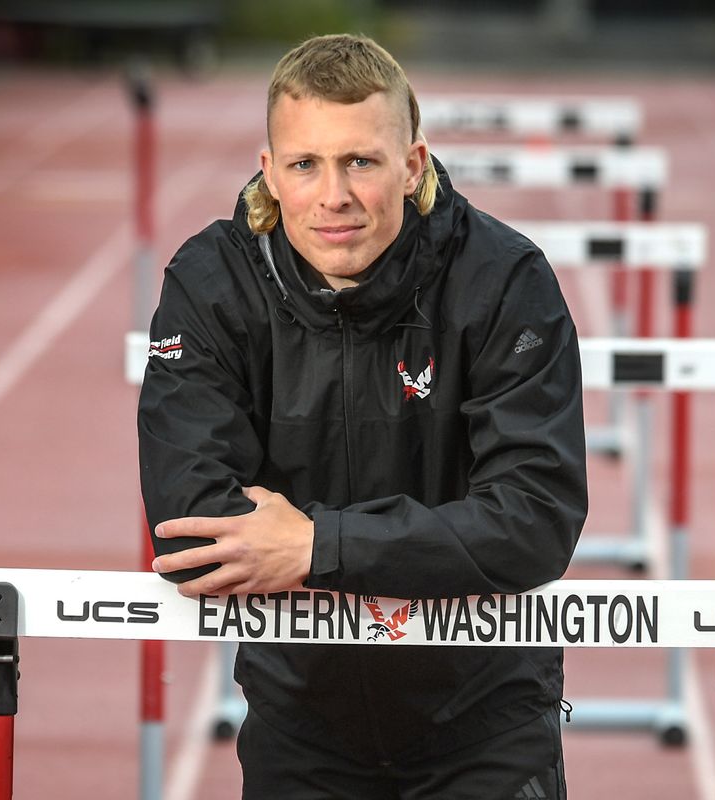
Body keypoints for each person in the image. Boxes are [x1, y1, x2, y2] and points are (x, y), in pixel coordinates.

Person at [138, 33, 587, 799]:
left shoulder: (504, 280)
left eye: (362, 162)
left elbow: (534, 518)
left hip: (485, 724)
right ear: (270, 171)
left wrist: (318, 545)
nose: (334, 195)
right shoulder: (211, 284)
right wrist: (413, 547)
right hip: (301, 720)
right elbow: (195, 527)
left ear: (412, 165)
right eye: (306, 163)